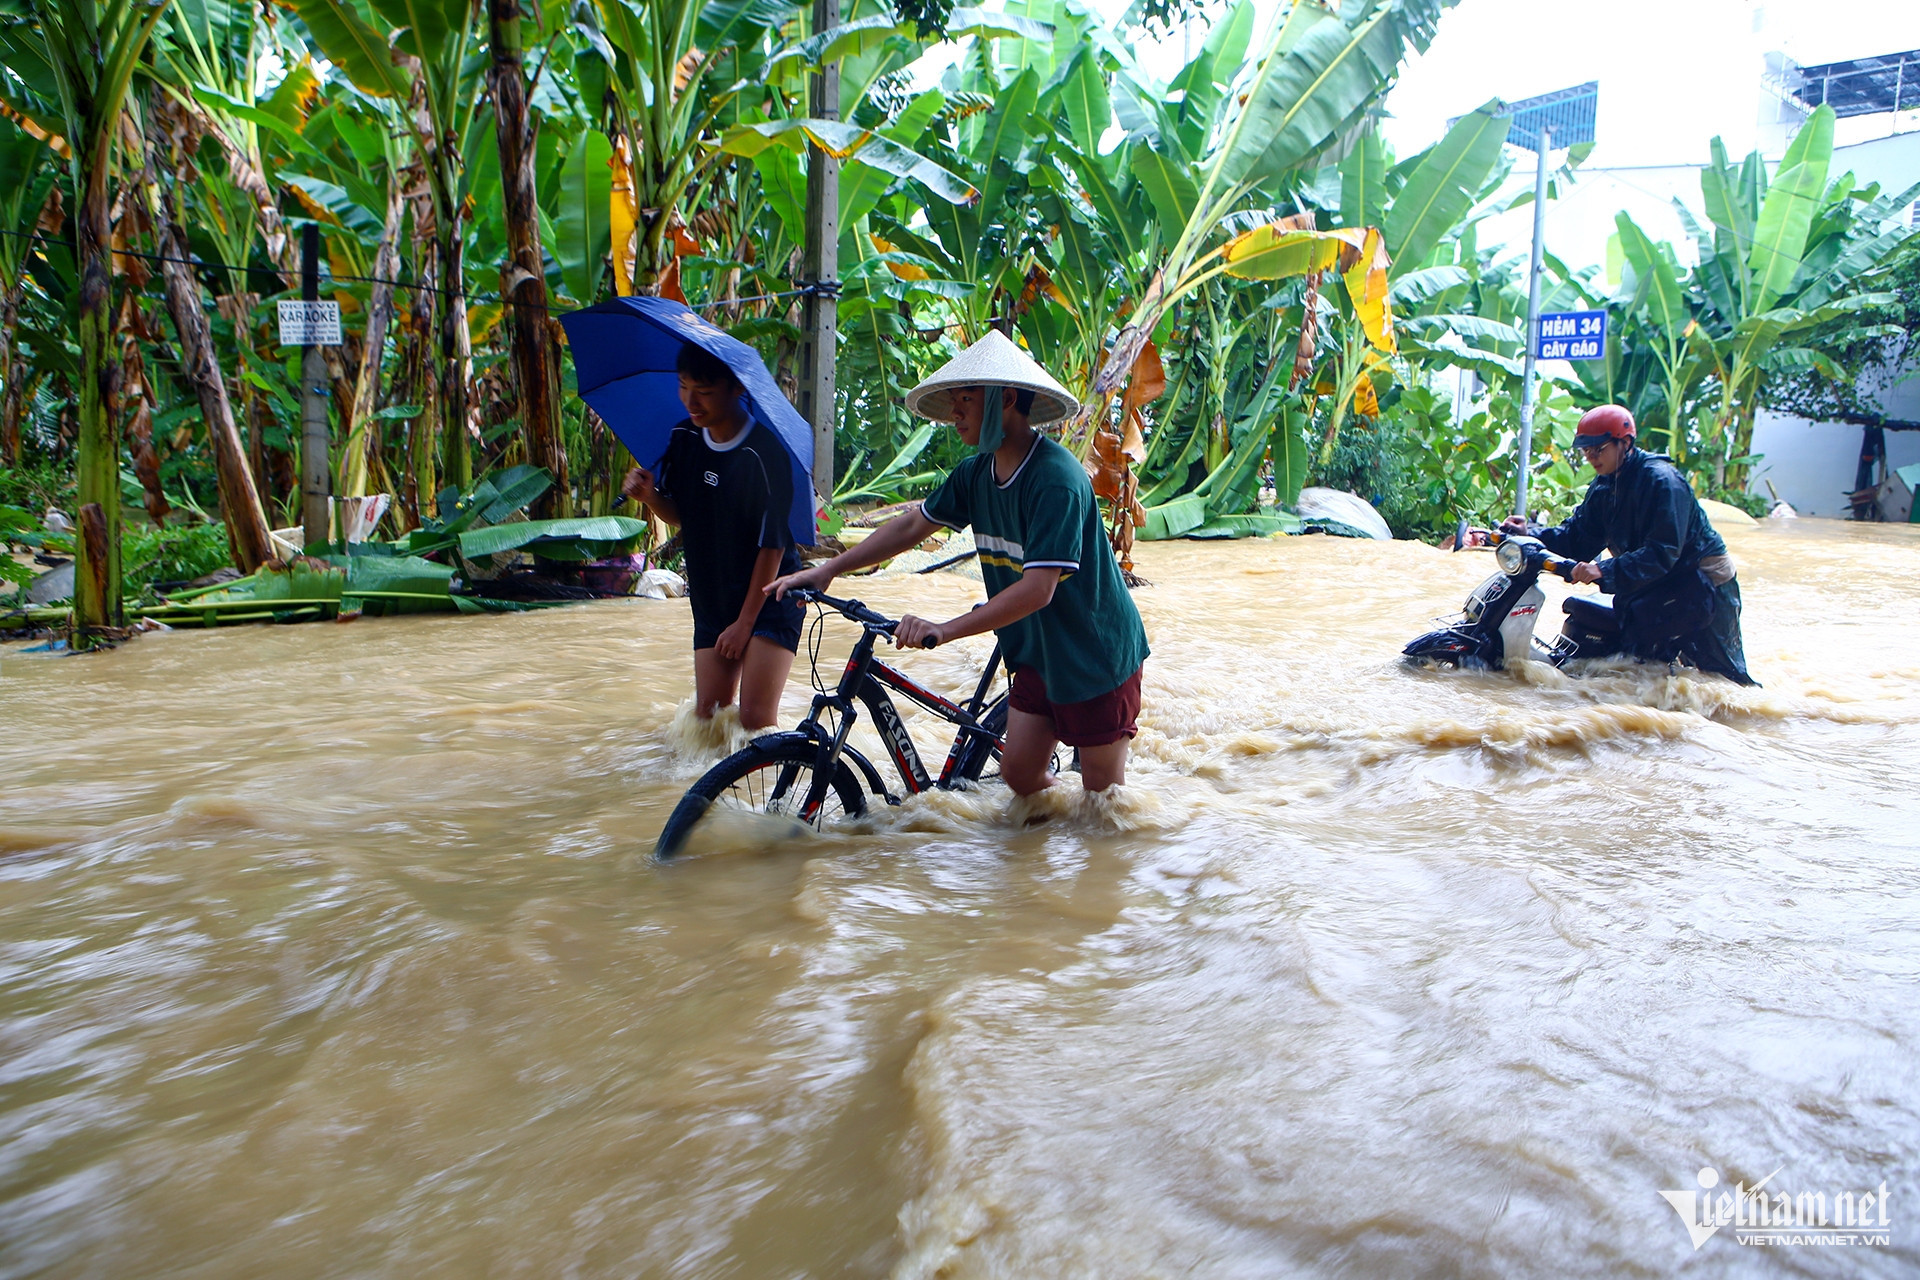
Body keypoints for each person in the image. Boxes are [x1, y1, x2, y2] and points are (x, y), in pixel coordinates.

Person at [767, 331, 1151, 798]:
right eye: (954, 402)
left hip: (1095, 656)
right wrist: (830, 568)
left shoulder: (1056, 481)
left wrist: (946, 628)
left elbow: (1038, 589)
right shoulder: (975, 475)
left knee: (1102, 805)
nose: (955, 414)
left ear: (1006, 399)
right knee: (1020, 777)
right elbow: (912, 527)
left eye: (965, 401)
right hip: (1036, 655)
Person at [1498, 404, 1755, 685]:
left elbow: (1662, 553)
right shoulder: (1604, 485)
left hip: (1701, 583)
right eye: (1586, 451)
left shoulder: (1663, 482)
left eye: (1599, 449)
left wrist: (1602, 570)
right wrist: (1530, 533)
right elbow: (1576, 538)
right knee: (1635, 666)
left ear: (1625, 443)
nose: (1592, 457)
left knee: (1724, 679)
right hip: (1650, 584)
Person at [623, 342, 804, 729]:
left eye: (704, 391)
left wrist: (743, 624)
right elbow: (682, 516)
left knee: (755, 721)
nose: (691, 400)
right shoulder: (684, 438)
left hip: (769, 599)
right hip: (711, 597)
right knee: (708, 721)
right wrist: (649, 496)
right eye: (683, 386)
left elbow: (772, 546)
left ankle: (778, 787)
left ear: (737, 388)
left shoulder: (766, 454)